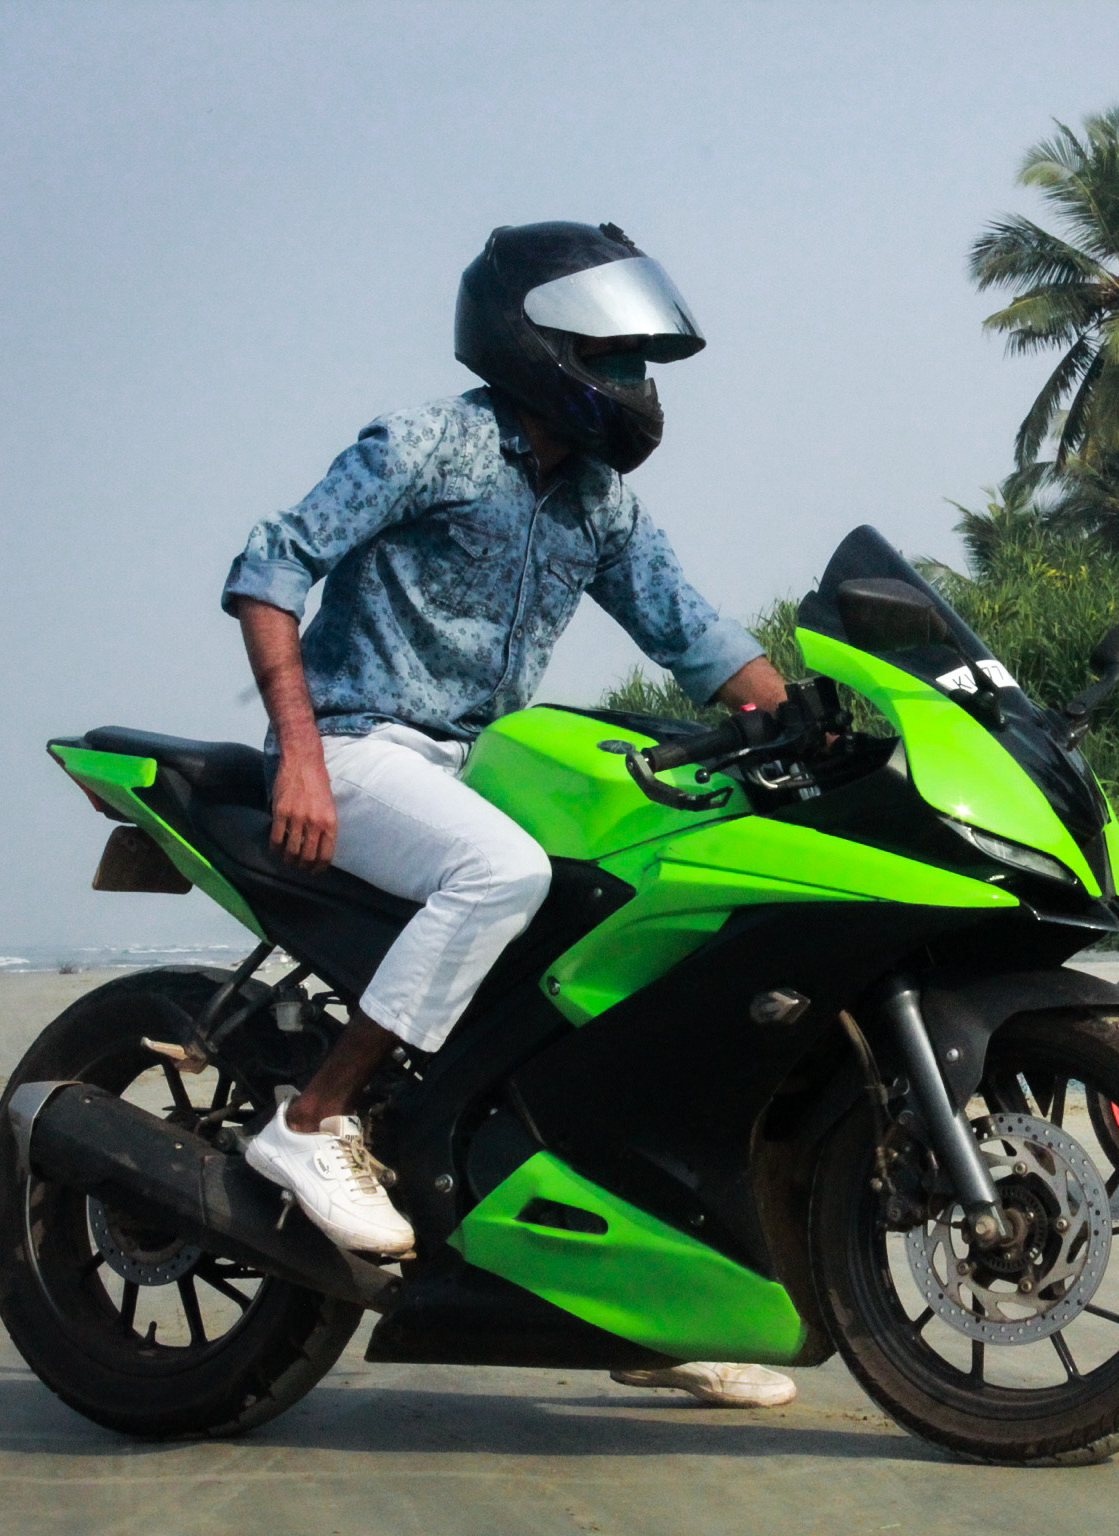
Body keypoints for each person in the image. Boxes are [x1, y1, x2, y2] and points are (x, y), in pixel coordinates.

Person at [223, 220, 796, 1408]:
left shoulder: (597, 507)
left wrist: (815, 727)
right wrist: (300, 760)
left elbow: (700, 643)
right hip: (357, 742)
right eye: (617, 359)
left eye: (645, 366)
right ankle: (313, 1117)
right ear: (539, 346)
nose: (637, 390)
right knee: (505, 875)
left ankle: (627, 1297)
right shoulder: (433, 441)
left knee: (638, 924)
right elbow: (273, 567)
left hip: (473, 769)